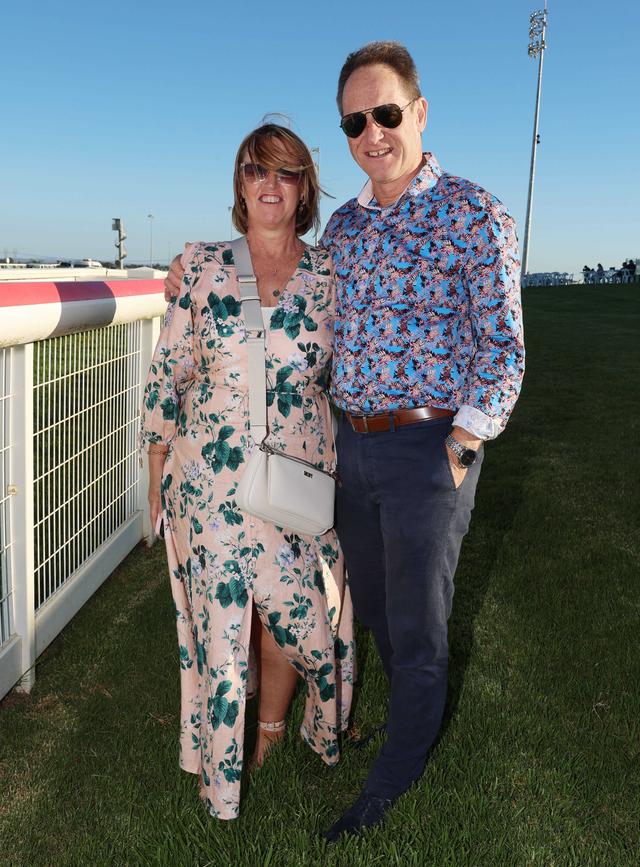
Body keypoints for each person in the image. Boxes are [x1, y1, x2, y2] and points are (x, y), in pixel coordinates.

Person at [165, 41, 524, 842]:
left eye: (387, 113)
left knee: (419, 624)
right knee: (379, 612)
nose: (373, 132)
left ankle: (386, 786)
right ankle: (392, 727)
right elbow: (287, 308)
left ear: (419, 113)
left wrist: (463, 445)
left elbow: (504, 349)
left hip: (429, 450)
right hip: (349, 451)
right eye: (356, 120)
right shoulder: (351, 232)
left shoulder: (473, 212)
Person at [142, 123, 354, 821]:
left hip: (294, 481)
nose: (271, 184)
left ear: (303, 190)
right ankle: (222, 786)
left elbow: (350, 376)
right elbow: (168, 373)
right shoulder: (199, 266)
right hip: (208, 483)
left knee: (309, 629)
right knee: (223, 639)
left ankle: (297, 726)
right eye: (257, 170)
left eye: (286, 173)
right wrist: (154, 467)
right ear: (240, 183)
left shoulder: (331, 276)